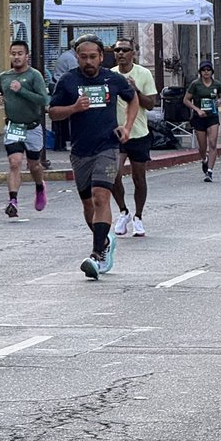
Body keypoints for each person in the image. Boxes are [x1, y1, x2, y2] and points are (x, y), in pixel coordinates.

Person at [48, 36, 137, 280]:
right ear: (77, 57)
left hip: (108, 147)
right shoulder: (68, 81)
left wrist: (127, 127)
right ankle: (105, 240)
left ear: (101, 57)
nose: (88, 61)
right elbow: (53, 113)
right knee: (88, 203)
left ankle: (98, 254)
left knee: (101, 197)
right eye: (83, 57)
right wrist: (74, 108)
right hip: (79, 151)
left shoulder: (113, 79)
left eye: (93, 56)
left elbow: (133, 98)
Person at [0, 39, 49, 217]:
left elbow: (44, 100)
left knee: (34, 165)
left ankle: (40, 186)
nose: (16, 57)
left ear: (27, 56)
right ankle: (13, 201)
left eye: (20, 54)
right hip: (13, 127)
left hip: (32, 127)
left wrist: (22, 91)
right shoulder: (4, 76)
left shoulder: (34, 76)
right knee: (14, 162)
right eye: (13, 54)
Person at [110, 38, 158, 238]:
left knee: (139, 177)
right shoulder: (110, 75)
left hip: (138, 133)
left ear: (133, 53)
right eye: (117, 50)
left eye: (125, 50)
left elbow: (151, 104)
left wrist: (135, 89)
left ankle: (138, 216)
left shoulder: (143, 74)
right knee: (113, 174)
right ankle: (123, 211)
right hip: (115, 133)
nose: (121, 53)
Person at [183, 61, 221, 181]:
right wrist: (197, 110)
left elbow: (220, 96)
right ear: (200, 72)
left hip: (212, 117)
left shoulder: (216, 84)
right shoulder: (195, 84)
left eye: (208, 70)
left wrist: (219, 101)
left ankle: (209, 172)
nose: (206, 72)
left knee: (213, 143)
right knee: (202, 146)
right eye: (204, 70)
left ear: (212, 72)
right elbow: (186, 100)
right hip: (199, 117)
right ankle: (204, 160)